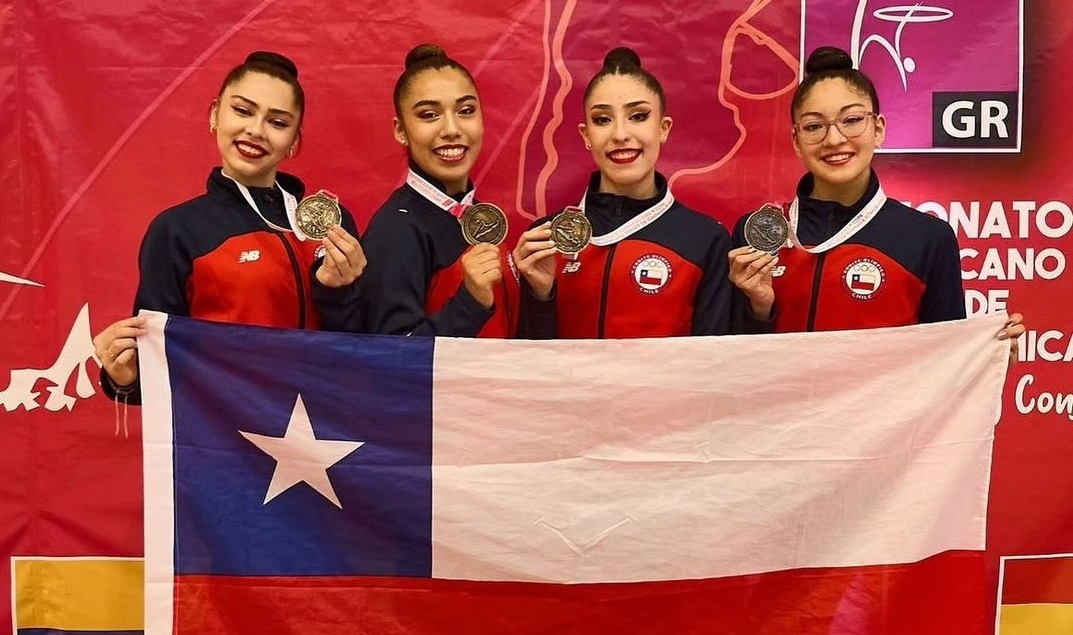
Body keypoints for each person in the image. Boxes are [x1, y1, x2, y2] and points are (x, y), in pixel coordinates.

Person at [93, 51, 366, 404]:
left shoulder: (333, 226)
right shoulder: (177, 230)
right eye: (242, 111)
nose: (256, 130)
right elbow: (157, 367)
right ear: (214, 115)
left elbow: (362, 352)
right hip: (231, 429)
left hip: (323, 425)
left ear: (294, 142)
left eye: (278, 122)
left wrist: (336, 292)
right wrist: (124, 380)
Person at [728, 45, 1024, 354]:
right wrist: (759, 309)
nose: (834, 139)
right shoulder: (758, 235)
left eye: (852, 120)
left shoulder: (927, 238)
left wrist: (986, 358)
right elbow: (731, 362)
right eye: (814, 126)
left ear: (878, 129)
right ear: (796, 141)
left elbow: (944, 359)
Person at [513, 47, 733, 338]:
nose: (620, 134)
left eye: (638, 116)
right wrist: (540, 297)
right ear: (586, 135)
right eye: (602, 120)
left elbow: (716, 359)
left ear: (663, 128)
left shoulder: (706, 240)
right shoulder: (545, 238)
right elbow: (525, 358)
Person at [359, 44, 519, 337]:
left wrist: (541, 294)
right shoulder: (396, 229)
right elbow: (391, 356)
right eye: (429, 115)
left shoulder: (482, 219)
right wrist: (470, 303)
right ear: (401, 130)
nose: (451, 129)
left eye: (466, 111)